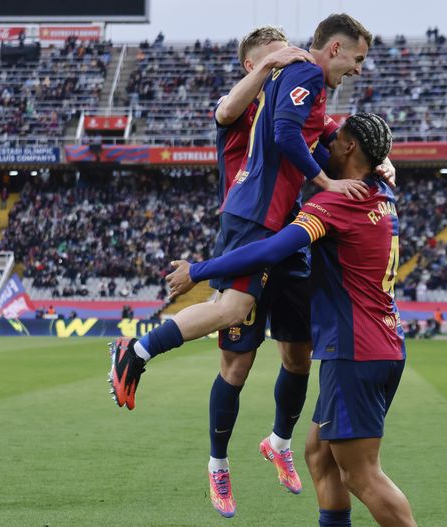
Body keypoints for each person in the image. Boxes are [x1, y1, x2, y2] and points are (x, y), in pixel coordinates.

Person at [108, 15, 378, 518]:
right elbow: (238, 112)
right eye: (277, 52)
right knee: (234, 331)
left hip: (286, 231)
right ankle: (208, 451)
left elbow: (312, 135)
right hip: (251, 220)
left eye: (291, 49)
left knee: (299, 354)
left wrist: (364, 152)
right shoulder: (252, 99)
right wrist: (325, 181)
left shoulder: (297, 88)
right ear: (256, 64)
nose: (289, 54)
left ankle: (278, 440)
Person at [170, 113, 416, 527]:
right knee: (320, 454)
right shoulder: (383, 192)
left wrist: (199, 270)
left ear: (351, 148)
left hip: (355, 351)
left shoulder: (336, 203)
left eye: (334, 140)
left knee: (361, 474)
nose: (326, 146)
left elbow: (269, 251)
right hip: (382, 345)